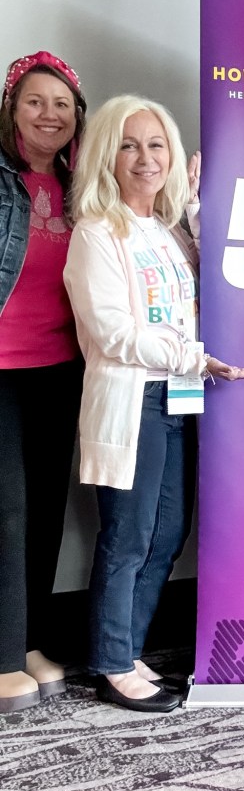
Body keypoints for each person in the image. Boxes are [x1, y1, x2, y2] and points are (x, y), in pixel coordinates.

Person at [64, 95, 244, 713]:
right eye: (129, 145)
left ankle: (128, 649)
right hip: (135, 400)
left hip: (178, 400)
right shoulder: (96, 233)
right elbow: (111, 332)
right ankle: (111, 661)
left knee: (168, 533)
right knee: (128, 536)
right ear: (107, 155)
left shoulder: (166, 231)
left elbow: (205, 287)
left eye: (157, 145)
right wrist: (195, 357)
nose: (145, 158)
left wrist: (199, 209)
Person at [0, 51, 87, 714]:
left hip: (61, 368)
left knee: (48, 509)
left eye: (61, 104)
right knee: (8, 510)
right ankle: (2, 654)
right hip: (2, 368)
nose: (49, 114)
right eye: (36, 101)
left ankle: (27, 640)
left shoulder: (82, 185)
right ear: (12, 110)